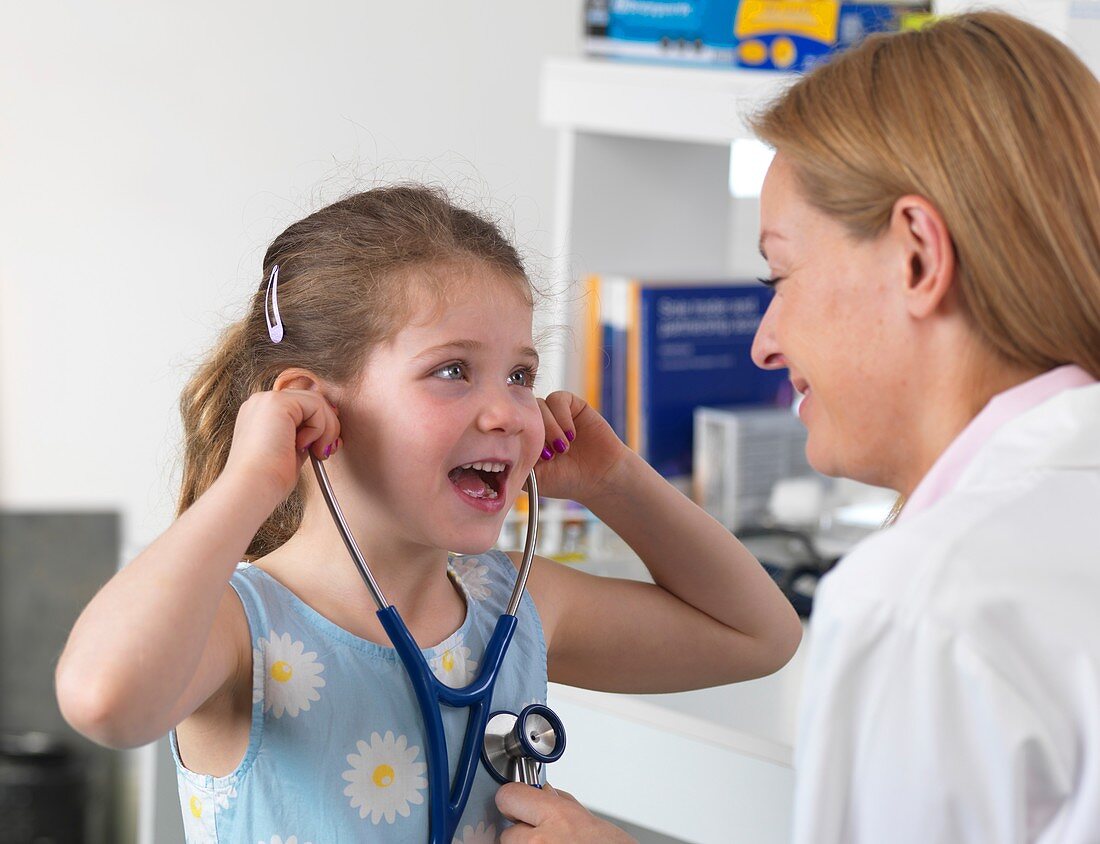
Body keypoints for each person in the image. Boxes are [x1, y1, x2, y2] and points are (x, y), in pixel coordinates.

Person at [495, 10, 1100, 843]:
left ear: (918, 256)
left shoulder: (926, 602)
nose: (765, 343)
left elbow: (758, 633)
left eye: (780, 274)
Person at [54, 184, 802, 842]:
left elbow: (758, 635)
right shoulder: (242, 626)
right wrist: (251, 480)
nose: (510, 412)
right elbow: (104, 700)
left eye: (520, 374)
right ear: (308, 404)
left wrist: (615, 480)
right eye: (452, 370)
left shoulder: (513, 604)